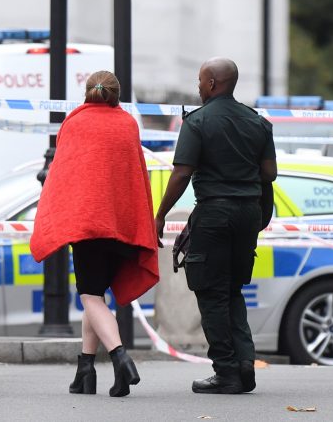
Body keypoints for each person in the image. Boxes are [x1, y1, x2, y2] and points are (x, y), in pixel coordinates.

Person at [30, 71, 160, 398]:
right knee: (98, 297)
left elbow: (63, 176)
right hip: (120, 223)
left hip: (88, 225)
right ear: (116, 96)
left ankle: (121, 359)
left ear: (88, 93)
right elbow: (135, 176)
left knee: (89, 296)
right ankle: (85, 373)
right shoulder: (128, 124)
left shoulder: (75, 124)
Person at [154, 57, 277, 394]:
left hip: (214, 215)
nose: (197, 86)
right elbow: (269, 174)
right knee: (232, 289)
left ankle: (226, 371)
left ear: (211, 83)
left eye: (200, 80)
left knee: (210, 292)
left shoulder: (197, 122)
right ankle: (245, 363)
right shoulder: (258, 123)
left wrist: (161, 214)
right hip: (248, 215)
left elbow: (181, 174)